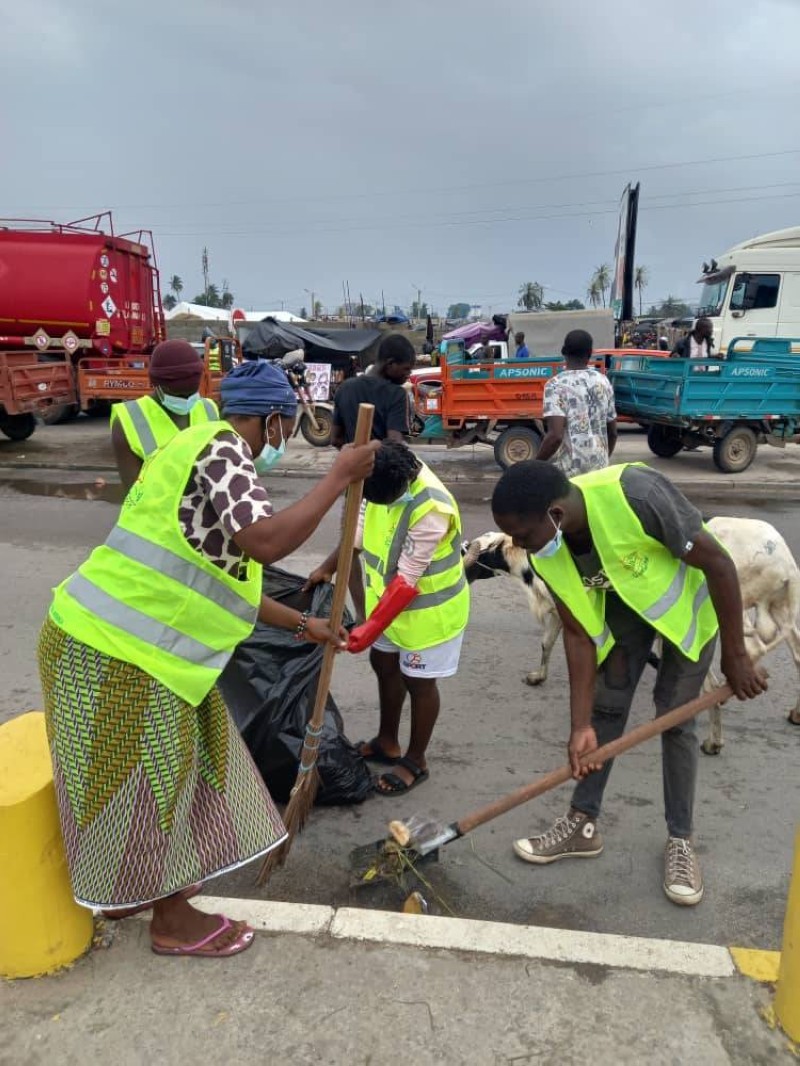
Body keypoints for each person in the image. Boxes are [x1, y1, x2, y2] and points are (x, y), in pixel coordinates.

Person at [39, 360, 377, 958]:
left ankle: (130, 888)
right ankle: (171, 920)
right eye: (286, 423)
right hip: (116, 651)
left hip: (104, 645)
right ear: (274, 418)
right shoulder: (221, 450)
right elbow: (265, 541)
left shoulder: (195, 447)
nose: (285, 435)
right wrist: (336, 475)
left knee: (136, 779)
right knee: (156, 785)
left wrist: (306, 625)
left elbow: (229, 581)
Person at [491, 460, 767, 906]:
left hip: (687, 611)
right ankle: (582, 823)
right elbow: (578, 634)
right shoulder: (545, 549)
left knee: (674, 721)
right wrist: (579, 725)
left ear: (555, 516)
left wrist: (737, 655)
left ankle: (680, 841)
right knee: (605, 710)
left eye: (521, 536)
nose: (517, 547)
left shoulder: (637, 495)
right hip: (624, 608)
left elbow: (718, 563)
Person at [305, 442, 469, 795]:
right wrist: (326, 568)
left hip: (429, 615)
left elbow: (407, 579)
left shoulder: (431, 508)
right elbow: (356, 539)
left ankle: (415, 760)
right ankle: (387, 740)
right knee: (384, 664)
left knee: (419, 683)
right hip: (388, 609)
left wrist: (367, 628)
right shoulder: (374, 477)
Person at [110, 339, 218, 491]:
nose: (186, 400)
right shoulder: (128, 420)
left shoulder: (209, 409)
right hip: (158, 513)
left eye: (191, 394)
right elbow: (134, 494)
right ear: (156, 384)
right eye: (179, 394)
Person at [536, 329, 617, 477]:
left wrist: (533, 466)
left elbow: (555, 437)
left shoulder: (555, 385)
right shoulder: (603, 382)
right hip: (600, 471)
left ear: (564, 352)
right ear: (590, 353)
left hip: (570, 475)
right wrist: (603, 459)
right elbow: (613, 432)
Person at [331, 333, 415, 446]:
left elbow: (335, 440)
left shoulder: (344, 388)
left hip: (352, 462)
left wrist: (355, 455)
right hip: (382, 463)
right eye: (406, 369)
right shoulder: (396, 394)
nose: (408, 374)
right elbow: (395, 445)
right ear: (390, 363)